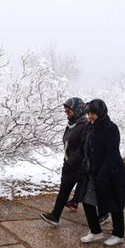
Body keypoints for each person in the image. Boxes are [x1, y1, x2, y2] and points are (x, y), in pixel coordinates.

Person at [78, 99, 125, 246]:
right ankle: (95, 231)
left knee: (114, 204)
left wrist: (103, 175)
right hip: (91, 171)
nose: (90, 116)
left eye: (93, 113)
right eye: (88, 113)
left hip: (110, 172)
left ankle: (118, 234)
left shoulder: (110, 128)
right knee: (87, 200)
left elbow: (112, 154)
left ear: (101, 112)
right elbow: (84, 146)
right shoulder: (89, 126)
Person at [40, 97, 88, 226]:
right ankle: (55, 216)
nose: (67, 114)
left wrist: (72, 161)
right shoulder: (73, 124)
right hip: (69, 164)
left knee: (89, 196)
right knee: (63, 191)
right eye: (65, 111)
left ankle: (103, 214)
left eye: (69, 111)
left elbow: (83, 148)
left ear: (77, 110)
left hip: (80, 167)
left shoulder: (84, 125)